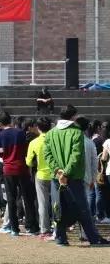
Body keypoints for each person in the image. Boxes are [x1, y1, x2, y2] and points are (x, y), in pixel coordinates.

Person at [44, 105, 108, 246]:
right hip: (73, 177)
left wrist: (58, 171)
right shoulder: (77, 132)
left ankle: (60, 238)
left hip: (56, 177)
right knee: (82, 208)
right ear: (73, 117)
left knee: (58, 207)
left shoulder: (50, 133)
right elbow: (76, 156)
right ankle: (93, 238)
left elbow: (47, 155)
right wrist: (66, 172)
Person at [0, 110, 39, 237]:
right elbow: (26, 149)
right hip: (22, 168)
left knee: (11, 199)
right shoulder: (20, 133)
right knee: (27, 198)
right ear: (10, 119)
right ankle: (31, 226)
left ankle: (14, 228)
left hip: (8, 169)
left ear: (0, 123)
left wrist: (3, 152)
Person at [25, 117, 53, 238]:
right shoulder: (54, 139)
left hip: (41, 174)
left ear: (38, 128)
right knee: (56, 202)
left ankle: (44, 228)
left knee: (43, 203)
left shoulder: (34, 142)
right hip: (55, 174)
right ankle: (59, 227)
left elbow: (29, 162)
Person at [76, 116, 100, 234]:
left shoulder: (72, 141)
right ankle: (85, 232)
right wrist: (93, 179)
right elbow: (95, 163)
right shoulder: (90, 143)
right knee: (84, 206)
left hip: (71, 177)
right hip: (86, 178)